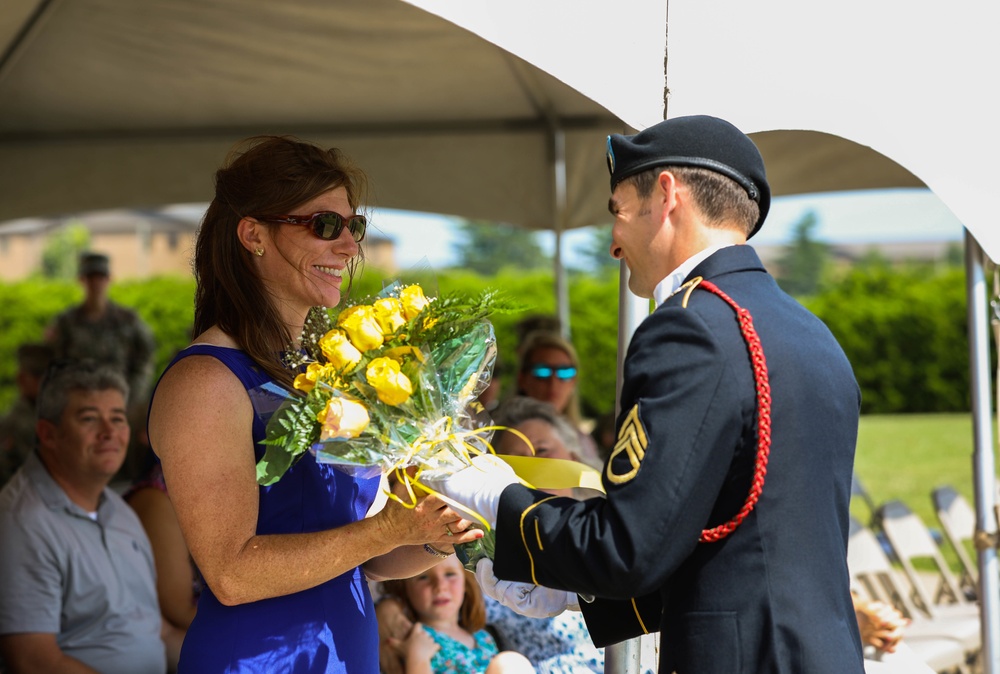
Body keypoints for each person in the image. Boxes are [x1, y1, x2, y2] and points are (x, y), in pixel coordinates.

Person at [431, 115, 866, 673]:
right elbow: (724, 538)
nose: (614, 244)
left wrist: (495, 494)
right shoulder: (810, 332)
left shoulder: (689, 328)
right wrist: (571, 588)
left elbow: (628, 549)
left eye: (617, 210)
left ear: (665, 196)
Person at [146, 135, 482, 673]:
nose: (349, 247)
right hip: (257, 662)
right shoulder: (205, 381)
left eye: (354, 227)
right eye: (325, 225)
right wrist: (385, 529)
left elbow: (363, 561)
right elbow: (231, 573)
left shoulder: (327, 373)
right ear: (253, 234)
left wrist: (441, 532)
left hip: (343, 654)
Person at [0, 359, 173, 673]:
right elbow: (33, 661)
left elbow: (158, 630)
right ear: (48, 434)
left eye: (117, 418)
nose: (109, 432)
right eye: (89, 419)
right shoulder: (22, 522)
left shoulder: (117, 510)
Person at [377, 555, 533, 674]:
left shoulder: (484, 637)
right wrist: (417, 658)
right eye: (423, 577)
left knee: (511, 663)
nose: (440, 586)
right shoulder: (416, 637)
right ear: (406, 590)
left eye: (450, 574)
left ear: (466, 583)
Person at [46, 251, 157, 414]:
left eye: (101, 277)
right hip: (80, 406)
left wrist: (132, 396)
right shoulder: (67, 322)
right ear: (82, 280)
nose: (96, 283)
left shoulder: (127, 320)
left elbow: (146, 358)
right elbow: (55, 363)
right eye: (91, 277)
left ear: (108, 279)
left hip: (121, 404)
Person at [514, 330, 601, 468]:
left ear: (574, 381)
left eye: (565, 372)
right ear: (522, 379)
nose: (553, 382)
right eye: (542, 371)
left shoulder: (583, 440)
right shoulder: (506, 434)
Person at [0, 342, 54, 487]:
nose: (46, 381)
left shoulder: (60, 413)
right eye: (38, 374)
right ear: (21, 378)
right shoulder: (13, 424)